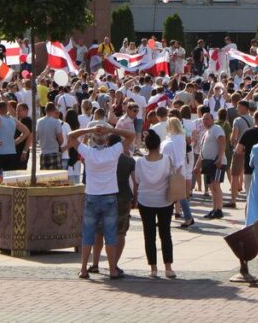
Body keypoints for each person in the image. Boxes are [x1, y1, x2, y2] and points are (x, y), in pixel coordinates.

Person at [68, 124, 135, 279]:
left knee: (88, 234)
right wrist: (111, 130)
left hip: (91, 196)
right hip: (110, 196)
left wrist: (90, 130)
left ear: (92, 140)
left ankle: (84, 269)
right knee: (111, 235)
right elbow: (131, 135)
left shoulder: (88, 152)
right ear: (106, 140)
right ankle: (112, 269)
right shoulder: (113, 151)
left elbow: (71, 136)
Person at [132, 130, 176, 279]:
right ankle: (168, 267)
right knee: (166, 234)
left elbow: (137, 181)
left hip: (146, 200)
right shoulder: (167, 159)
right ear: (159, 145)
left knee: (149, 235)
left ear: (147, 146)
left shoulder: (140, 162)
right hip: (165, 200)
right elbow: (173, 176)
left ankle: (153, 268)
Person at [160, 117, 194, 228]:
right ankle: (165, 218)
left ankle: (188, 217)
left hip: (175, 170)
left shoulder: (179, 138)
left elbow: (179, 156)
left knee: (180, 196)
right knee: (171, 196)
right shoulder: (171, 138)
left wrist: (177, 171)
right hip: (168, 169)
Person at [195, 110, 227, 220]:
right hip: (208, 163)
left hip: (217, 162)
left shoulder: (216, 129)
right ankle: (214, 209)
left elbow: (222, 141)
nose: (205, 121)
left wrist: (219, 158)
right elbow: (202, 151)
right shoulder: (206, 133)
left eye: (207, 118)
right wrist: (197, 165)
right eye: (203, 119)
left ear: (213, 119)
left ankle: (219, 209)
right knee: (211, 187)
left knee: (215, 185)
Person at [35, 103, 65, 171]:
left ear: (45, 110)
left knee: (45, 179)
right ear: (54, 110)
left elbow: (37, 137)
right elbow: (61, 139)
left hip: (43, 152)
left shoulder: (39, 122)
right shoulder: (56, 122)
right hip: (54, 152)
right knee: (56, 178)